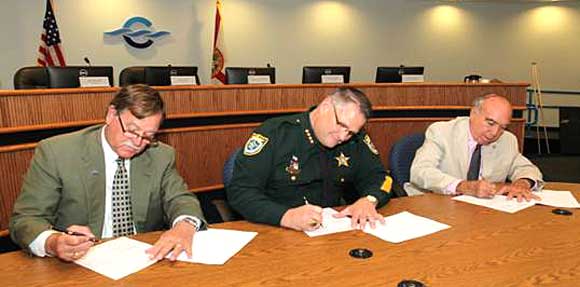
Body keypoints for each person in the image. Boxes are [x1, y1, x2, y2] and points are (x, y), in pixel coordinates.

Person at [10, 84, 205, 262]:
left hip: (143, 259)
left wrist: (184, 226)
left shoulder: (160, 155)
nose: (137, 143)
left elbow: (180, 199)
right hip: (79, 263)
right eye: (131, 130)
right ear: (111, 115)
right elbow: (25, 220)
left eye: (148, 136)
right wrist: (53, 242)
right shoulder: (57, 153)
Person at [227, 87, 393, 231]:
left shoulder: (355, 139)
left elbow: (382, 178)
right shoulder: (275, 133)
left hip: (331, 233)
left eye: (350, 132)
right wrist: (286, 216)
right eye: (341, 125)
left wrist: (369, 200)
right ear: (326, 106)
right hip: (275, 230)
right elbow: (241, 191)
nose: (343, 136)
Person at [409, 94, 543, 201]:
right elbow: (420, 171)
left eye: (502, 127)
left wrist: (522, 183)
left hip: (482, 212)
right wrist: (462, 186)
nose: (495, 133)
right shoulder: (442, 132)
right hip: (436, 203)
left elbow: (526, 168)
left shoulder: (507, 140)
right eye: (490, 123)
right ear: (473, 113)